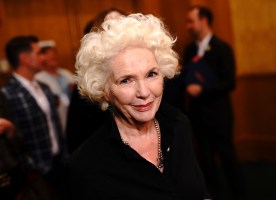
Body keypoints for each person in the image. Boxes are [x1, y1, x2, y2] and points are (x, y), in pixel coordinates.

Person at [66, 14, 210, 200]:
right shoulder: (85, 165)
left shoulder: (179, 125)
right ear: (104, 90)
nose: (143, 92)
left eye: (151, 74)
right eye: (126, 80)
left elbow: (198, 191)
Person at [184, 6, 246, 200]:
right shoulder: (189, 50)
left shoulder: (222, 48)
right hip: (197, 114)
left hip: (219, 113)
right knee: (205, 159)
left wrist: (202, 90)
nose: (188, 26)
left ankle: (239, 194)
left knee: (227, 156)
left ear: (204, 20)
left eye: (191, 21)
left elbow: (229, 83)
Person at [1, 36, 67, 193]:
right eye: (38, 53)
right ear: (24, 58)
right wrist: (27, 167)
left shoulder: (43, 87)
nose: (43, 57)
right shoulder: (7, 94)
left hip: (58, 161)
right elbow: (11, 137)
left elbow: (54, 124)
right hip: (33, 172)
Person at [66, 8, 125, 153]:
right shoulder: (87, 81)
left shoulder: (148, 72)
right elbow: (76, 134)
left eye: (123, 24)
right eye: (110, 26)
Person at [35, 41, 75, 132]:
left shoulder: (66, 73)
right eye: (50, 57)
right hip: (56, 119)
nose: (54, 58)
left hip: (72, 115)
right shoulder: (39, 78)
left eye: (54, 55)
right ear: (43, 58)